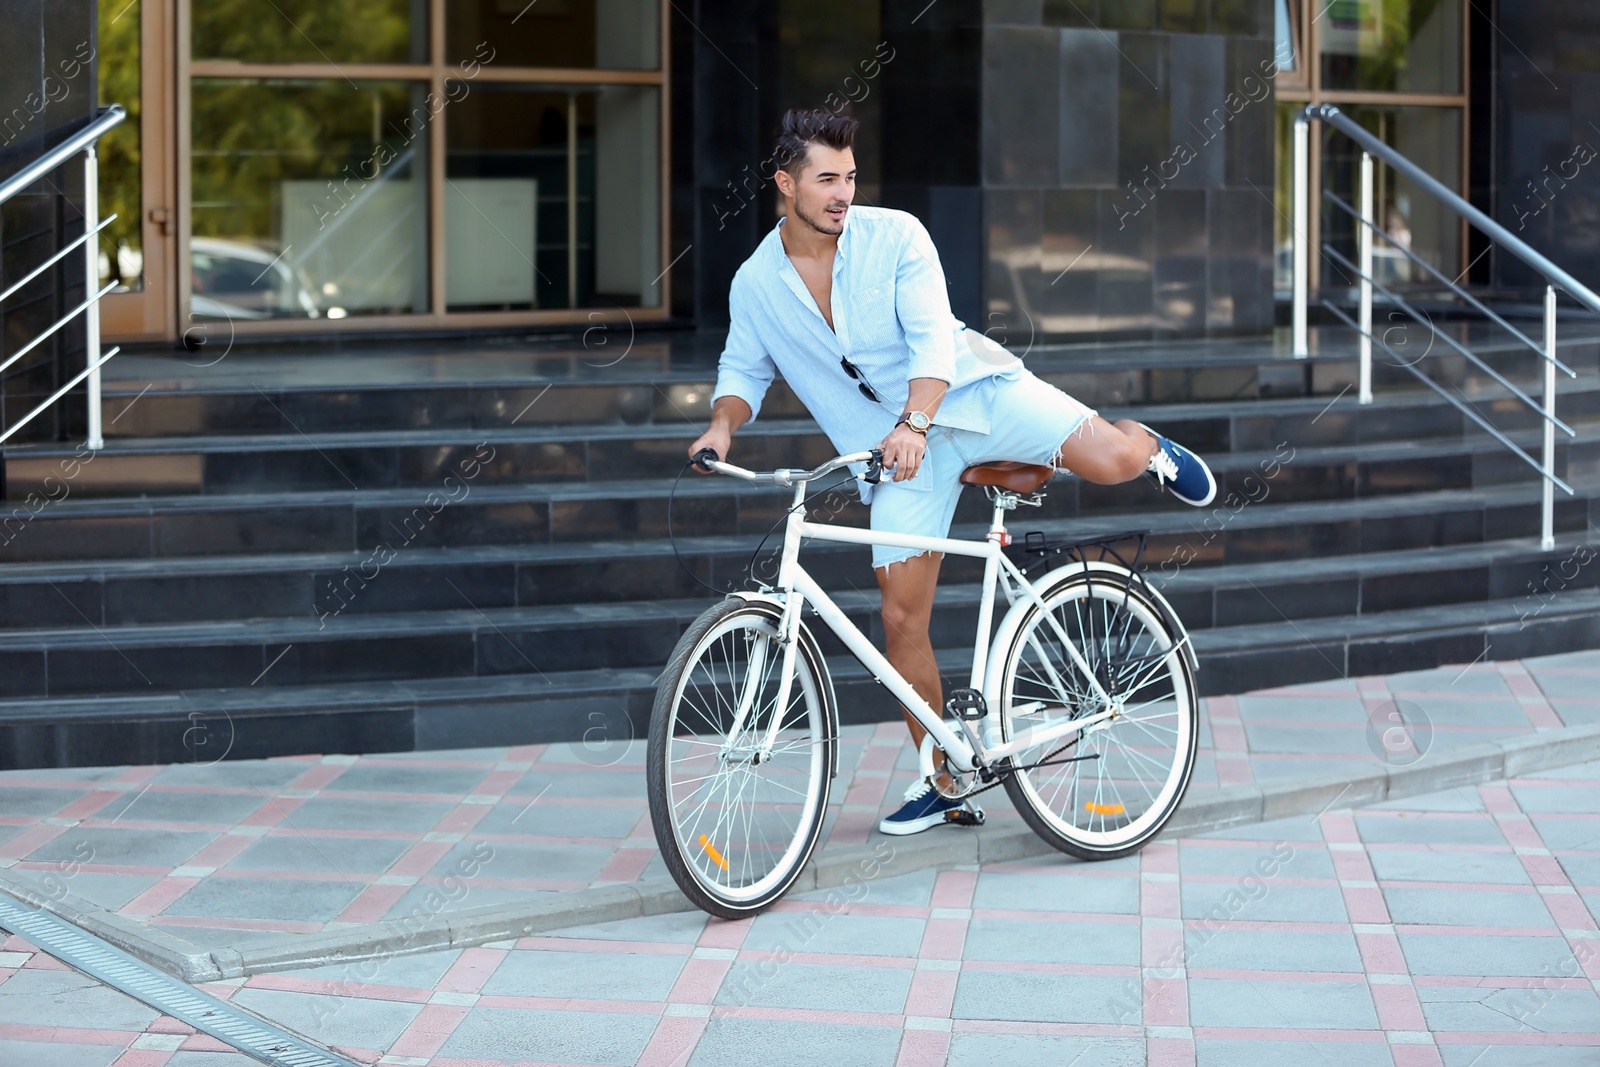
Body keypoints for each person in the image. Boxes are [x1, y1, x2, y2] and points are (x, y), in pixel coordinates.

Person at [687, 108, 1216, 836]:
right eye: (826, 179)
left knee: (1113, 460)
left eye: (849, 176)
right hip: (898, 456)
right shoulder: (756, 283)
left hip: (972, 398)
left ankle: (1148, 443)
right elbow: (743, 366)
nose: (843, 193)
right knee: (901, 618)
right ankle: (946, 776)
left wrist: (915, 421)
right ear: (785, 183)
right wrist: (721, 426)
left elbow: (934, 337)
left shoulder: (897, 235)